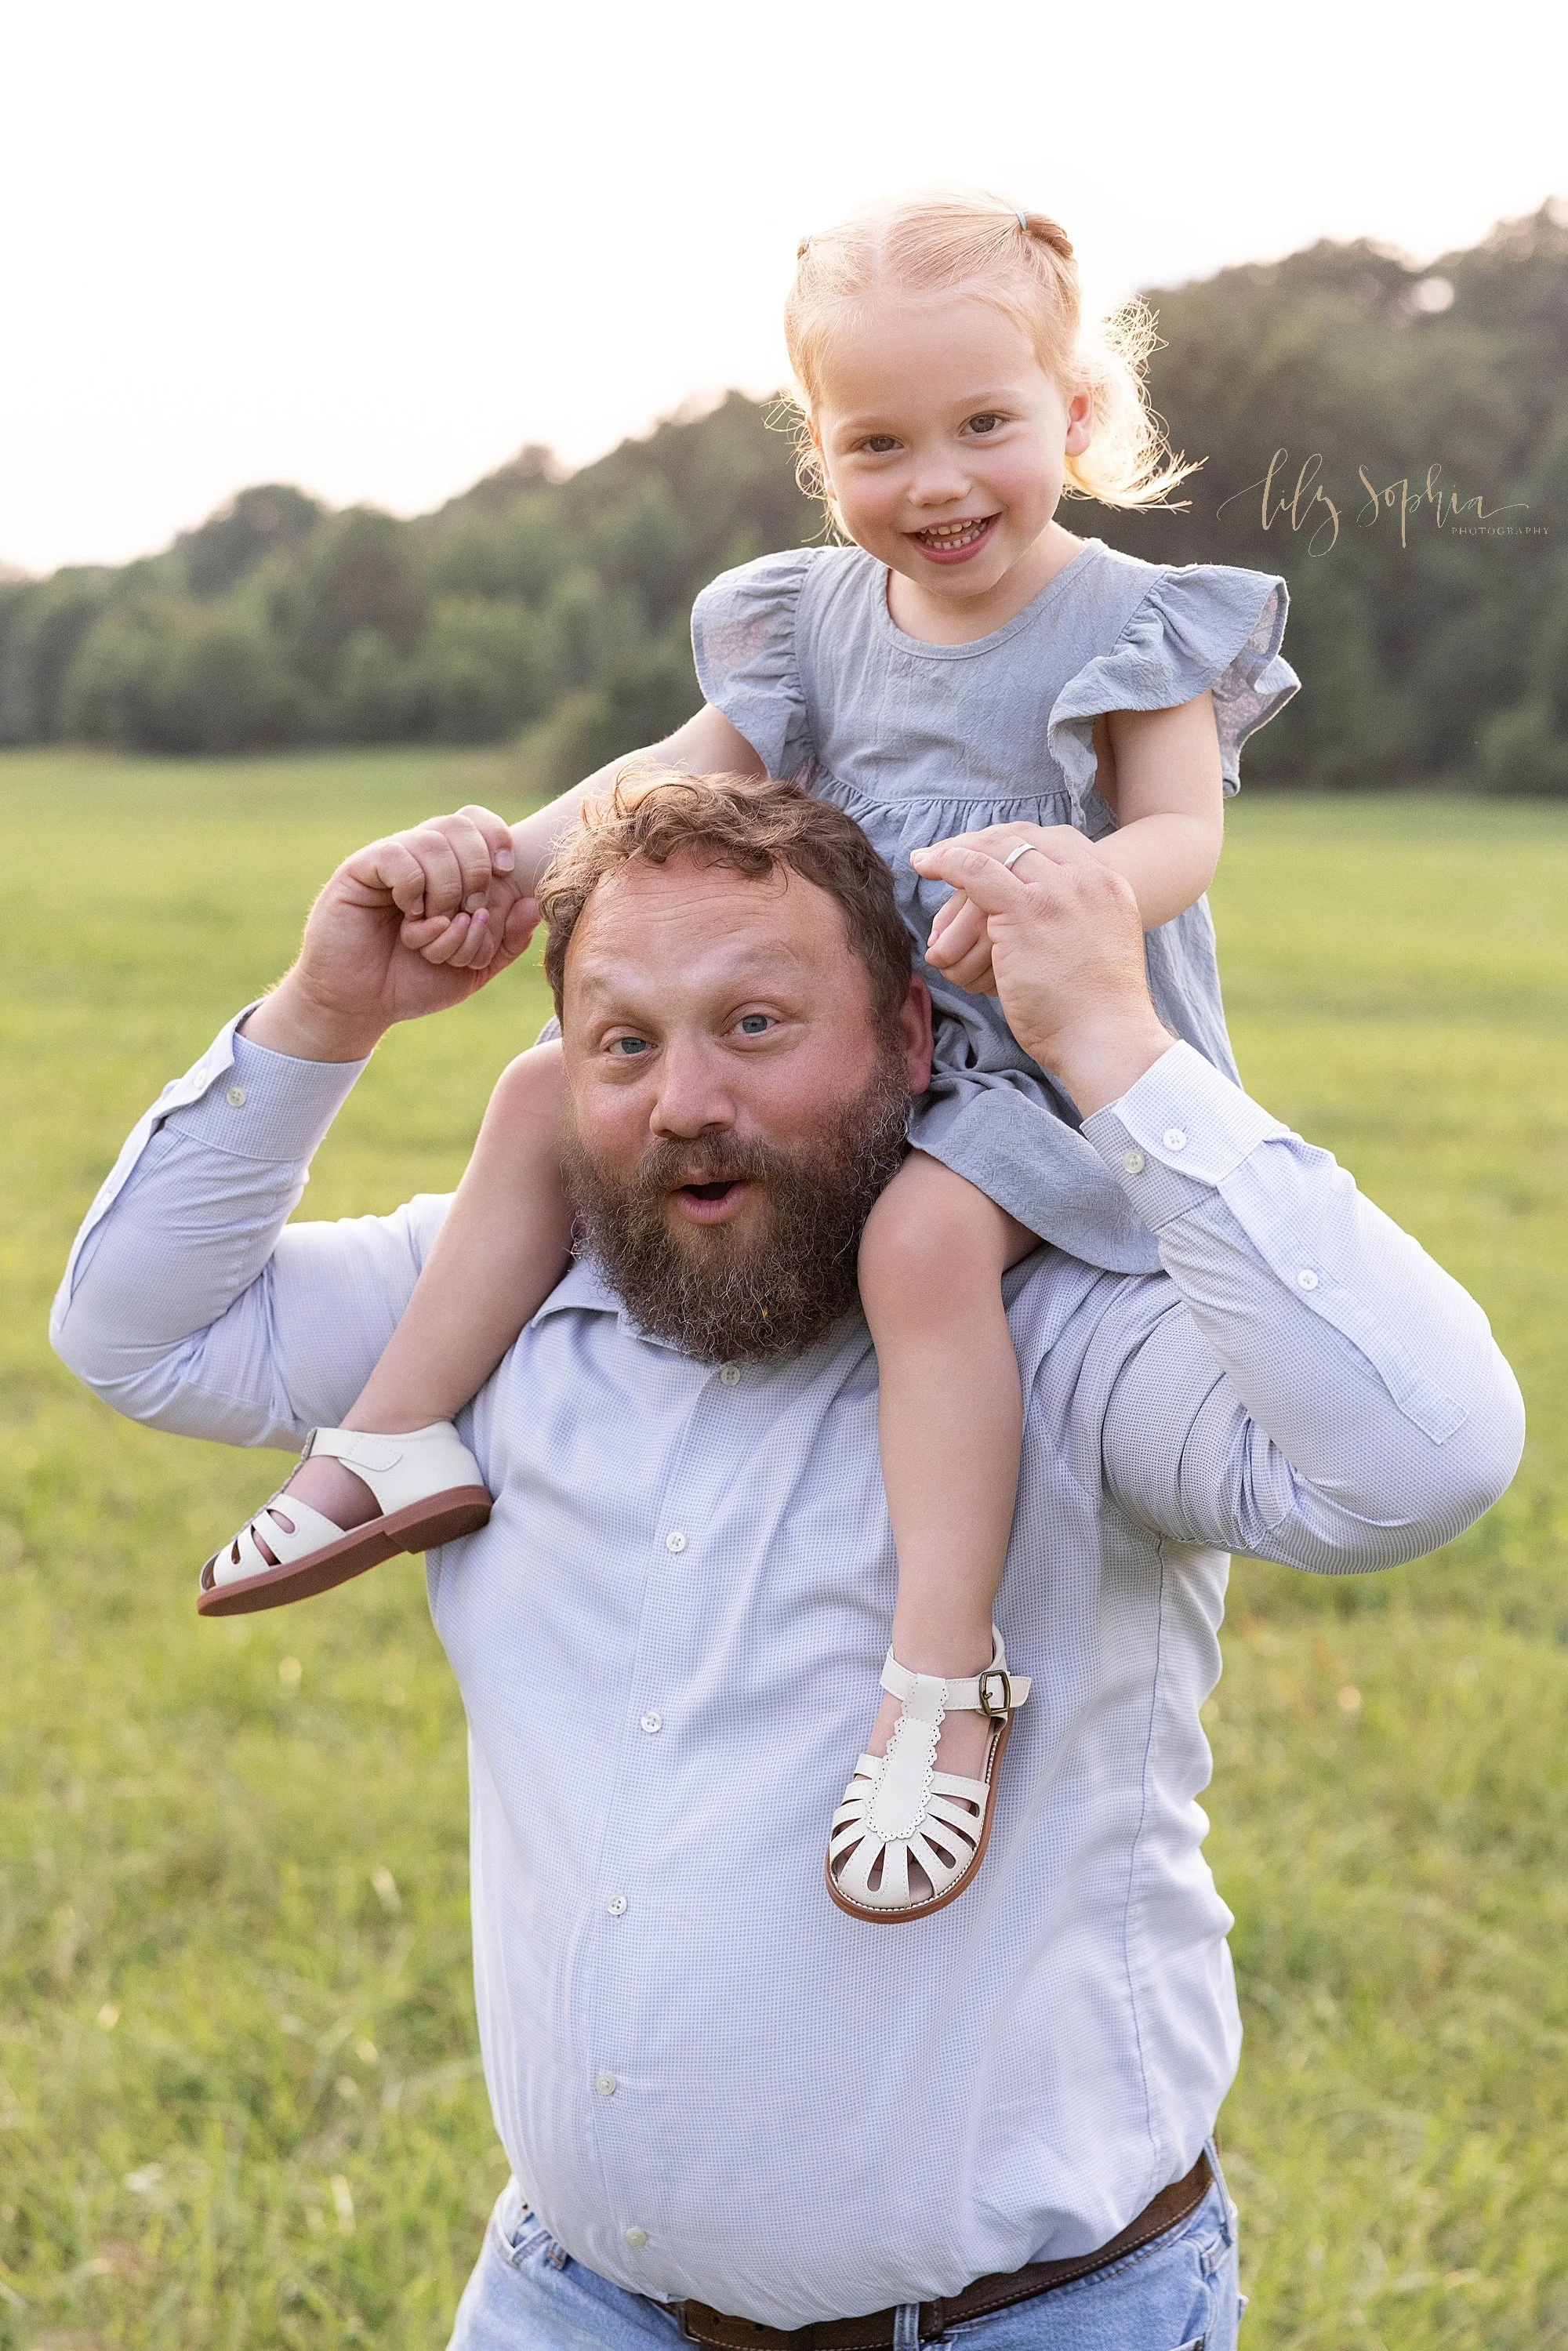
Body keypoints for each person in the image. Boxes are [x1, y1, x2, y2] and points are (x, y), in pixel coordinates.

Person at [53, 778, 1522, 2349]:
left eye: (754, 1023)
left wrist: (1111, 1041)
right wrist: (325, 1008)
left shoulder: (1058, 1344)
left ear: (906, 1039)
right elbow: (137, 1330)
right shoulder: (485, 1308)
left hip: (1023, 2322)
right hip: (569, 2302)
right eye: (623, 1041)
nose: (683, 1097)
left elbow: (1419, 1458)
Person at [187, 190, 1302, 1923]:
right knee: (543, 1096)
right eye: (878, 440)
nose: (934, 481)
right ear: (819, 452)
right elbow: (661, 772)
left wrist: (1072, 884)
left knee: (923, 1241)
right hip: (838, 1049)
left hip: (1027, 1065)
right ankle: (399, 1432)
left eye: (984, 426)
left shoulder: (1132, 623)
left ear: (1072, 418)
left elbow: (1181, 835)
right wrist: (509, 853)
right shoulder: (811, 623)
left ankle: (939, 1676)